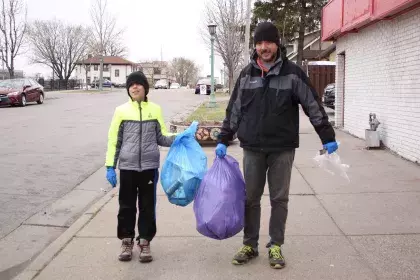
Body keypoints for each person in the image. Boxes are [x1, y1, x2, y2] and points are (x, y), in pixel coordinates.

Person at [215, 22, 338, 269]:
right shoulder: (247, 74)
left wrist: (327, 135)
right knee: (250, 199)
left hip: (282, 147)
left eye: (268, 42)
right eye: (259, 43)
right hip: (252, 147)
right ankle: (249, 244)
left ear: (277, 44)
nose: (264, 48)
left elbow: (312, 104)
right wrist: (223, 137)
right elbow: (234, 110)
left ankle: (276, 246)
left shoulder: (292, 73)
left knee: (279, 199)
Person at [105, 71, 196, 263]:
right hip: (128, 167)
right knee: (126, 206)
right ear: (128, 89)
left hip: (149, 167)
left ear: (145, 88)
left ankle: (145, 241)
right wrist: (110, 166)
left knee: (147, 206)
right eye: (131, 85)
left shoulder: (154, 110)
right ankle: (127, 240)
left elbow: (161, 137)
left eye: (138, 84)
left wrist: (180, 137)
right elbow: (115, 140)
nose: (134, 87)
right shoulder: (121, 111)